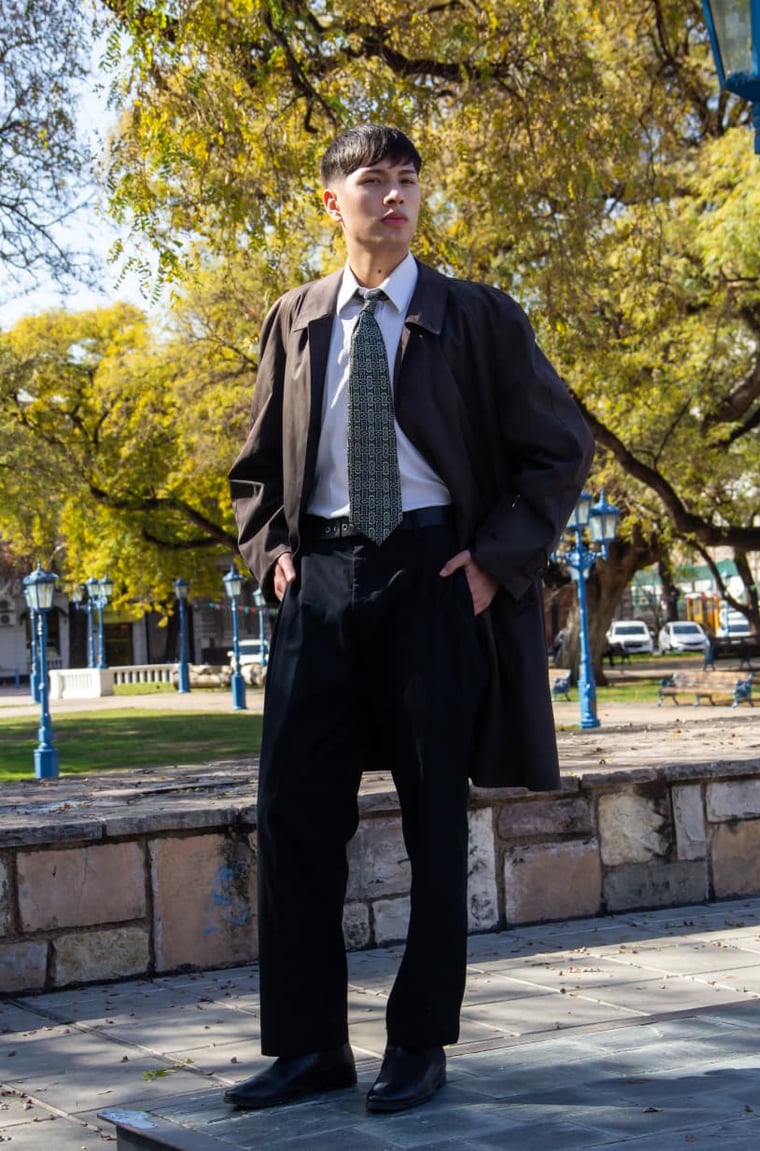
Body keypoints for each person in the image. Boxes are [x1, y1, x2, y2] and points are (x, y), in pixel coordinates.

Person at [226, 123, 594, 1115]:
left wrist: (497, 563)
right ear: (331, 200)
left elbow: (561, 446)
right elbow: (255, 470)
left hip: (435, 574)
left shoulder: (474, 314)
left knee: (435, 817)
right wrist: (273, 556)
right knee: (294, 815)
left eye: (408, 179)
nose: (394, 195)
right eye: (372, 179)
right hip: (318, 582)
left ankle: (418, 1040)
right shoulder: (296, 318)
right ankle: (310, 1046)